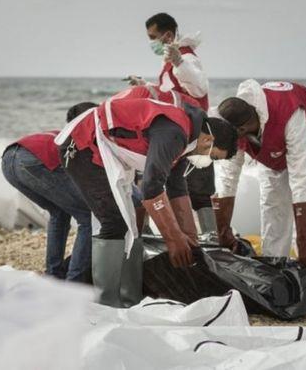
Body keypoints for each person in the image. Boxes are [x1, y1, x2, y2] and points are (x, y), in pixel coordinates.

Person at [55, 98, 237, 307]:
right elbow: (151, 186)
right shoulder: (176, 133)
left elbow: (176, 187)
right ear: (208, 140)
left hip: (107, 151)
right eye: (213, 156)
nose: (208, 162)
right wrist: (173, 238)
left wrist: (189, 238)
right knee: (114, 222)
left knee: (135, 224)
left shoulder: (188, 140)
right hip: (81, 145)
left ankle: (130, 298)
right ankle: (106, 305)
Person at [214, 80, 306, 267]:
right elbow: (227, 178)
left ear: (242, 130)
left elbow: (302, 178)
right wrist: (223, 231)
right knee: (273, 198)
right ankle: (274, 261)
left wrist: (304, 244)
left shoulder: (289, 115)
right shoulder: (234, 125)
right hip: (268, 135)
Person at [126, 13, 216, 235]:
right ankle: (186, 236)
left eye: (153, 36)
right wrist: (145, 85)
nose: (151, 42)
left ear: (167, 35)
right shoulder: (170, 60)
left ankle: (205, 237)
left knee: (195, 186)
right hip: (179, 127)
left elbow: (199, 88)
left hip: (191, 128)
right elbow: (170, 94)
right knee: (175, 180)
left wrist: (179, 62)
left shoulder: (186, 57)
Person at [1, 102, 97, 282]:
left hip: (9, 160)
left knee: (59, 213)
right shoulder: (85, 136)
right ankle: (74, 281)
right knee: (87, 215)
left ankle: (54, 275)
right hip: (33, 161)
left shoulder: (59, 132)